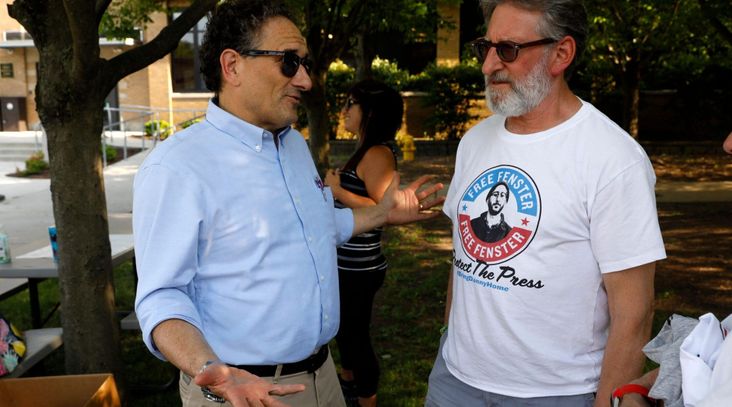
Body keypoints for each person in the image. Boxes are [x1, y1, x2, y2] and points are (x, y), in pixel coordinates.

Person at [132, 1, 444, 406]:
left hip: (323, 376)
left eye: (306, 64)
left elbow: (316, 227)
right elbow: (160, 296)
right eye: (289, 62)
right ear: (233, 66)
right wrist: (215, 372)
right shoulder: (177, 168)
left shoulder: (292, 144)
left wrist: (381, 213)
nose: (306, 80)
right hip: (244, 391)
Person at [425, 1, 667, 406]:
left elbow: (634, 314)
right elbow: (463, 258)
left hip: (557, 393)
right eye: (484, 47)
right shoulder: (474, 142)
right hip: (454, 379)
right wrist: (452, 337)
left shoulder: (614, 159)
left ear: (561, 54)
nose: (487, 66)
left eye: (507, 50)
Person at [323, 80, 403, 407]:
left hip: (360, 268)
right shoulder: (366, 149)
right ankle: (349, 386)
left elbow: (383, 209)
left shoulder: (378, 154)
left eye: (350, 104)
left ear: (370, 113)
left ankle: (365, 399)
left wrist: (337, 191)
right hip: (348, 266)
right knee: (345, 333)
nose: (344, 110)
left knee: (356, 339)